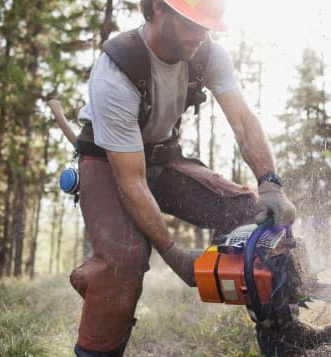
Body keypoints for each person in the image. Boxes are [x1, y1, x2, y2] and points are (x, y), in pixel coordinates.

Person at [69, 0, 296, 355]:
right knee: (125, 261)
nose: (199, 36)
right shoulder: (118, 70)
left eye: (206, 27)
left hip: (163, 155)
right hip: (108, 162)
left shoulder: (207, 54)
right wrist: (173, 253)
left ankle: (286, 335)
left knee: (254, 214)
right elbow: (132, 182)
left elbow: (243, 122)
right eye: (191, 24)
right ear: (157, 8)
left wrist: (270, 182)